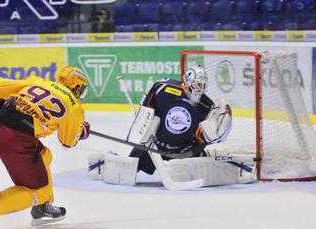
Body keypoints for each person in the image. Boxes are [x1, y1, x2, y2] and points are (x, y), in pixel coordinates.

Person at [87, 66, 253, 188]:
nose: (199, 89)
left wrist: (209, 136)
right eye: (196, 85)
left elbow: (202, 136)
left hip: (183, 152)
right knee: (127, 170)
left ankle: (236, 166)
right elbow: (146, 110)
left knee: (204, 169)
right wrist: (143, 129)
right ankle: (104, 162)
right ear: (187, 81)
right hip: (154, 146)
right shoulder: (164, 88)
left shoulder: (206, 105)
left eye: (202, 85)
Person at [0, 66, 90, 229]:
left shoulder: (39, 82)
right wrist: (82, 130)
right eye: (82, 89)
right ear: (76, 86)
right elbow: (68, 142)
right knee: (38, 192)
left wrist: (22, 108)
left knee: (44, 155)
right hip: (16, 140)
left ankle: (42, 208)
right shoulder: (74, 106)